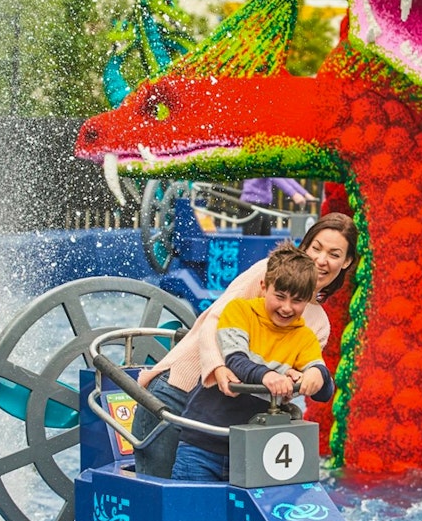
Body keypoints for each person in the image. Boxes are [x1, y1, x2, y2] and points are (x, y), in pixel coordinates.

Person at [130, 212, 358, 478]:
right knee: (159, 497)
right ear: (305, 245)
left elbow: (292, 381)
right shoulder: (268, 273)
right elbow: (216, 321)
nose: (321, 260)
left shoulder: (318, 323)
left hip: (226, 422)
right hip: (177, 392)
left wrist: (303, 376)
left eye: (334, 254)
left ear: (346, 262)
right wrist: (217, 367)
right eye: (316, 247)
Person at [170, 243, 335, 482]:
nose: (287, 307)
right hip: (204, 441)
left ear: (308, 300)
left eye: (297, 300)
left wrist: (318, 376)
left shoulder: (304, 336)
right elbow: (235, 360)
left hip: (254, 452)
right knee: (189, 512)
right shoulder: (239, 312)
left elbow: (322, 385)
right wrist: (269, 377)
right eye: (280, 296)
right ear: (264, 287)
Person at [239, 178, 317, 236]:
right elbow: (276, 178)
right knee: (252, 241)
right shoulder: (262, 158)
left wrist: (305, 194)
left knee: (265, 238)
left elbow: (285, 177)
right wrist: (294, 194)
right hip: (252, 206)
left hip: (262, 207)